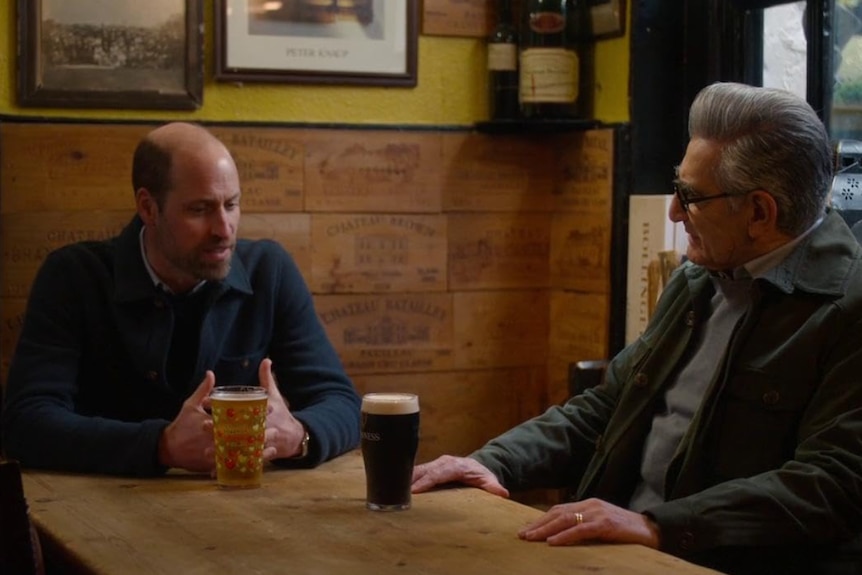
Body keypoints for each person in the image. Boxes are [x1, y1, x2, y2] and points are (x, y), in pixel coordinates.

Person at [412, 82, 862, 575]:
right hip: (621, 552)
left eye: (690, 196)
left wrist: (656, 525)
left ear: (759, 212)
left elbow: (831, 482)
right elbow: (607, 408)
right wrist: (494, 462)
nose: (673, 211)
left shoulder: (847, 307)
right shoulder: (697, 280)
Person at [1, 122, 361, 477]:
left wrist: (299, 434)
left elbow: (343, 404)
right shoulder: (75, 276)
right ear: (148, 208)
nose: (224, 229)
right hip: (97, 517)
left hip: (246, 510)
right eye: (200, 209)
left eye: (231, 204)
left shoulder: (269, 270)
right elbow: (26, 422)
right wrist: (161, 445)